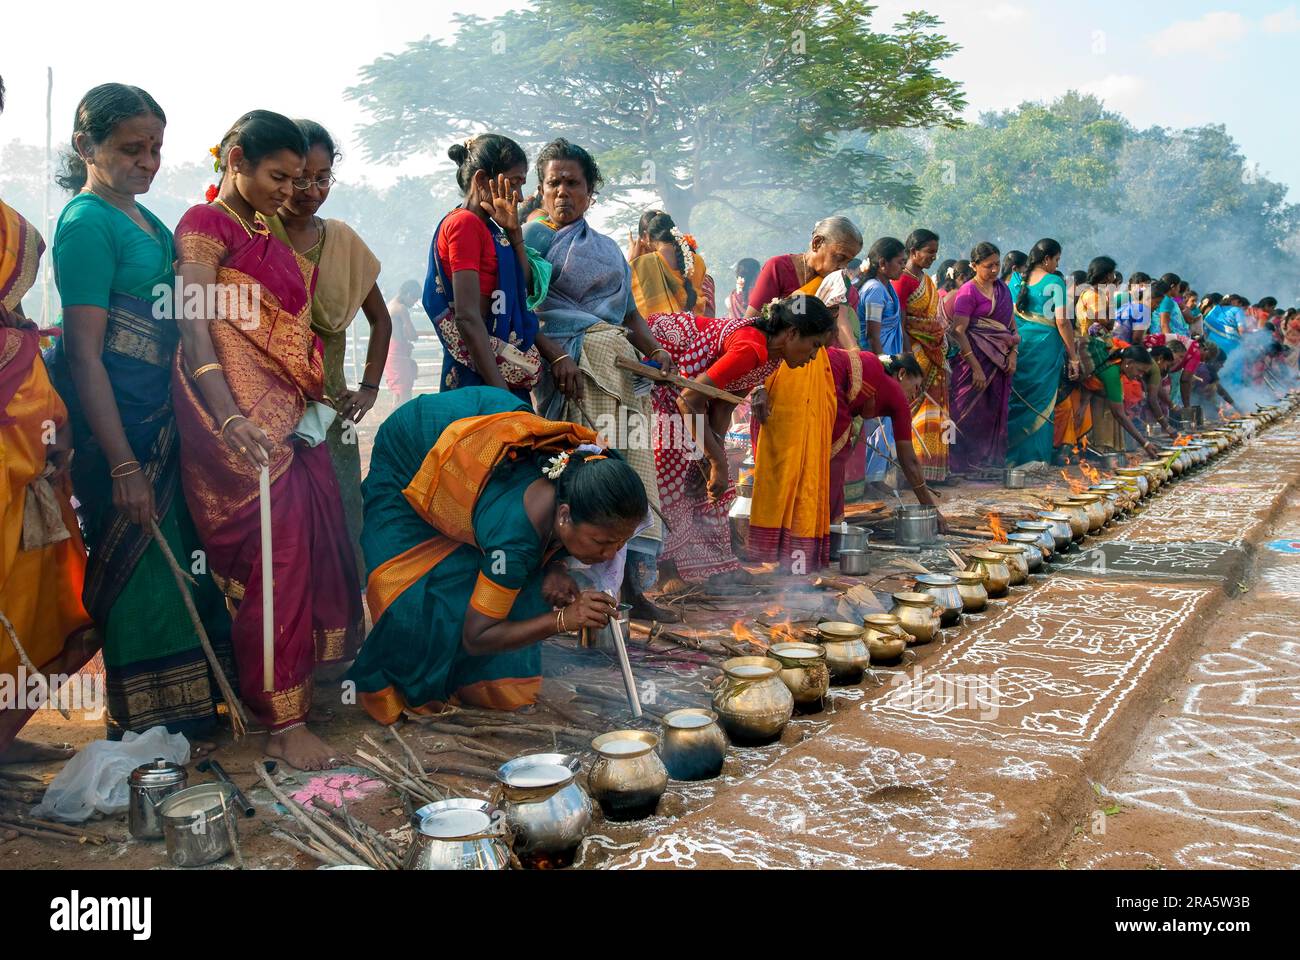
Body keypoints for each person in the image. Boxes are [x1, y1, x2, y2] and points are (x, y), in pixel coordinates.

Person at [171, 110, 364, 769]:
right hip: (230, 418)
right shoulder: (204, 227)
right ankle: (281, 722)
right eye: (277, 177)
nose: (289, 191)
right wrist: (227, 415)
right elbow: (195, 329)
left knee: (314, 542)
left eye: (298, 178)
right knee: (275, 561)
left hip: (288, 415)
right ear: (233, 160)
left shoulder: (263, 229)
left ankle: (308, 688)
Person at [48, 83, 230, 744]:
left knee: (180, 563)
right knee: (141, 574)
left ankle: (191, 714)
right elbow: (85, 355)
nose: (148, 161)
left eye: (155, 147)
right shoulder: (86, 224)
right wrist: (123, 463)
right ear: (84, 146)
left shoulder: (148, 222)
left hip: (165, 427)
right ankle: (152, 725)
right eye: (131, 148)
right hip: (120, 436)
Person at [349, 387, 645, 719]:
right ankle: (407, 681)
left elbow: (547, 541)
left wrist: (556, 565)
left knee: (521, 582)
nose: (609, 554)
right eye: (601, 543)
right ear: (564, 516)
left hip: (484, 440)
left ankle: (480, 682)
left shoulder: (579, 477)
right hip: (415, 448)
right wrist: (564, 619)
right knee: (417, 603)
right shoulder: (514, 538)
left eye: (619, 544)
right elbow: (477, 636)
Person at [522, 139, 677, 619]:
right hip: (573, 377)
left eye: (574, 183)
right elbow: (526, 313)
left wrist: (656, 351)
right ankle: (572, 598)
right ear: (541, 190)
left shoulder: (608, 248)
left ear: (591, 193)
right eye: (554, 183)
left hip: (622, 379)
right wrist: (555, 358)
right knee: (583, 482)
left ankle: (631, 592)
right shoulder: (531, 239)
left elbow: (629, 313)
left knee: (626, 480)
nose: (563, 192)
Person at [0, 75, 98, 761]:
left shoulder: (12, 228)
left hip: (28, 438)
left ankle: (3, 737)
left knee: (43, 594)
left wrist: (53, 421)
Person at [263, 120, 393, 585]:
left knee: (340, 520)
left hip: (333, 409)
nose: (310, 191)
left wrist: (370, 388)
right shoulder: (257, 233)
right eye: (299, 178)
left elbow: (381, 318)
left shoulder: (342, 241)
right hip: (267, 413)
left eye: (322, 179)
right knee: (282, 527)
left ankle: (339, 640)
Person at [653, 295, 833, 584]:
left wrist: (710, 457)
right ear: (792, 333)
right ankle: (666, 571)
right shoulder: (751, 347)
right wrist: (716, 461)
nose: (813, 356)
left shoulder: (771, 359)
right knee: (671, 471)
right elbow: (688, 399)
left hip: (691, 394)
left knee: (705, 477)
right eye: (814, 345)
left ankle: (717, 566)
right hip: (662, 364)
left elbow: (724, 404)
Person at [423, 135, 563, 402]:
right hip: (483, 377)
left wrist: (513, 232)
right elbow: (467, 316)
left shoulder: (492, 230)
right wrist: (502, 395)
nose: (521, 197)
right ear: (480, 180)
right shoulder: (465, 224)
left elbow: (525, 295)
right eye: (513, 184)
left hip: (497, 372)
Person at [746, 295, 842, 571]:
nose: (815, 352)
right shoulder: (766, 341)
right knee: (777, 478)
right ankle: (769, 556)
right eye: (838, 257)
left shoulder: (812, 349)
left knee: (808, 476)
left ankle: (797, 559)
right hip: (781, 408)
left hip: (809, 410)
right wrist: (758, 388)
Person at [828, 349, 942, 524]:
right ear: (902, 374)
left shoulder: (880, 381)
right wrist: (932, 510)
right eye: (916, 387)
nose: (915, 395)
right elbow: (909, 461)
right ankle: (825, 528)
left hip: (822, 372)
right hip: (827, 382)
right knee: (833, 463)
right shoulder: (896, 392)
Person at [1006, 238, 1081, 466]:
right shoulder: (1054, 282)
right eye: (1056, 259)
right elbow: (1062, 322)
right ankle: (1035, 459)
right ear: (1047, 259)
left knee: (1019, 398)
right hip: (1045, 347)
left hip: (1021, 345)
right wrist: (1073, 356)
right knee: (1042, 401)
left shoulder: (1016, 281)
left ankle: (1011, 459)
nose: (1057, 265)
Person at [947, 242, 1018, 475]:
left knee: (993, 410)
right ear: (974, 265)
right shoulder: (968, 291)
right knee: (964, 412)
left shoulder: (1003, 290)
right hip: (972, 360)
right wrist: (976, 367)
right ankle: (961, 464)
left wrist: (1013, 355)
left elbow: (1011, 327)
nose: (995, 270)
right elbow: (958, 331)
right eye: (989, 266)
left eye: (997, 265)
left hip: (1000, 361)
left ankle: (987, 463)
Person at [892, 229, 947, 483]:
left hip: (933, 350)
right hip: (914, 349)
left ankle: (930, 468)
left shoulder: (926, 279)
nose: (933, 257)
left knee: (933, 410)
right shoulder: (903, 280)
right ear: (913, 252)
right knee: (911, 406)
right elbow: (901, 320)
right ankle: (909, 469)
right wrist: (907, 357)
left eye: (936, 253)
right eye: (929, 252)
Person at [857, 236, 907, 487]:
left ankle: (876, 477)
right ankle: (870, 479)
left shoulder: (886, 286)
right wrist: (883, 366)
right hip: (877, 361)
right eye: (900, 262)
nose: (903, 267)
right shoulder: (875, 290)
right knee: (876, 420)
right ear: (882, 263)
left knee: (885, 420)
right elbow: (874, 335)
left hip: (888, 358)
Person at [1081, 343, 1161, 456]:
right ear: (1128, 363)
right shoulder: (1112, 372)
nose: (1140, 375)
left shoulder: (1117, 366)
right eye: (1140, 370)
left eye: (1143, 373)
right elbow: (1119, 415)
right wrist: (1145, 444)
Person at [629, 210, 709, 319]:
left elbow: (629, 307)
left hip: (660, 333)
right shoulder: (698, 261)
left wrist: (631, 262)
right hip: (699, 328)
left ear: (646, 236)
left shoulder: (640, 265)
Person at [385, 280, 423, 404]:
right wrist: (413, 336)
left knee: (397, 394)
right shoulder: (401, 308)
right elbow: (412, 334)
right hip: (398, 353)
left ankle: (396, 421)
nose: (415, 302)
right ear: (407, 294)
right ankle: (405, 420)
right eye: (414, 298)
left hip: (391, 351)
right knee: (405, 394)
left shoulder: (390, 304)